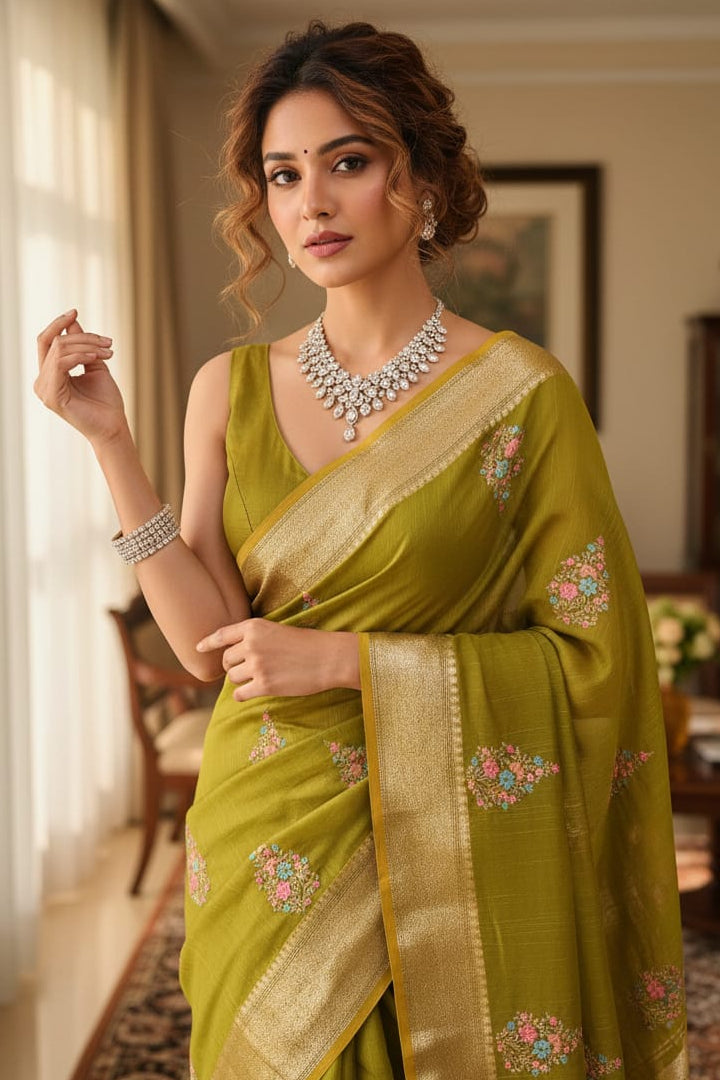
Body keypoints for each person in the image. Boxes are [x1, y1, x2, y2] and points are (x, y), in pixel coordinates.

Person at [35, 20, 688, 1080]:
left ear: (423, 179)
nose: (311, 202)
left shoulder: (522, 396)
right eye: (283, 174)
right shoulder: (228, 388)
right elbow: (206, 650)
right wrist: (114, 446)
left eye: (348, 161)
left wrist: (349, 662)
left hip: (455, 850)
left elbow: (596, 658)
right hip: (270, 834)